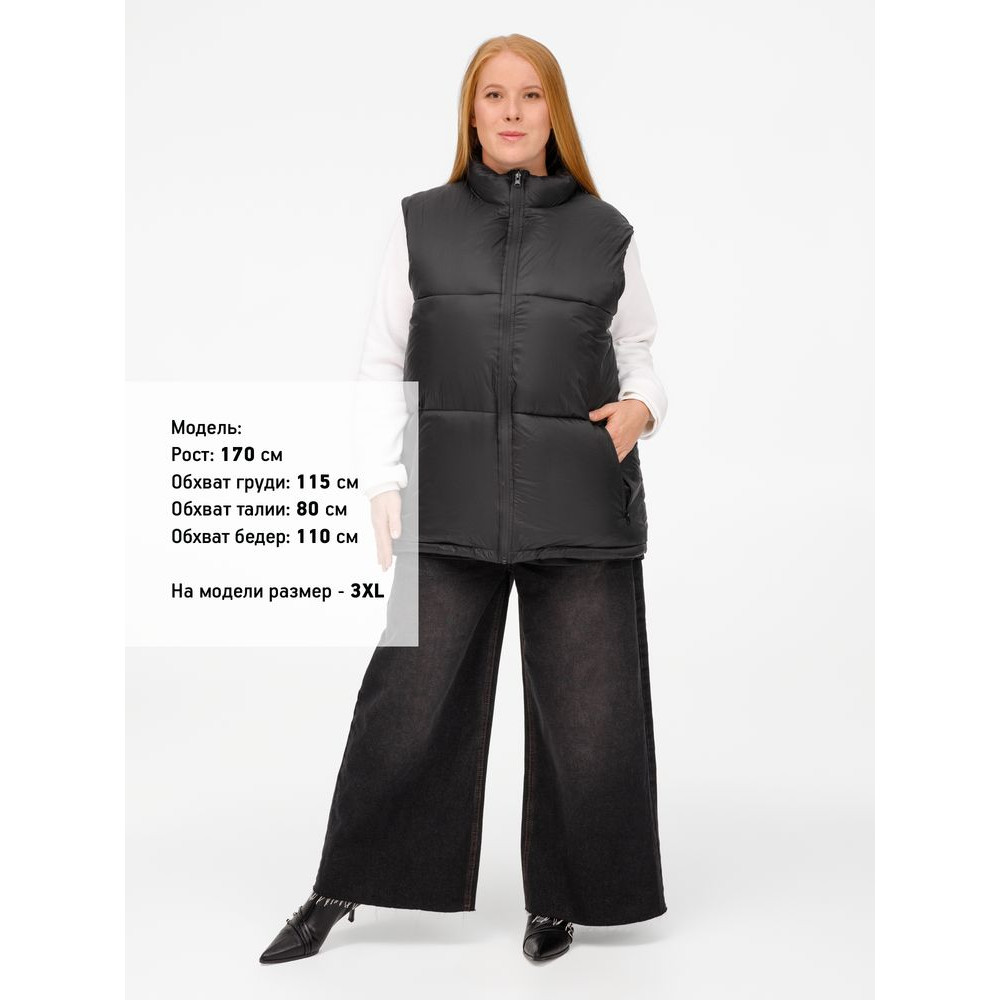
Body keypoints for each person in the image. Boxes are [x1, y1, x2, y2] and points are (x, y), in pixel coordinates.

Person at [260, 32, 669, 966]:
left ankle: (564, 899)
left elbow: (640, 349)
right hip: (446, 506)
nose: (513, 111)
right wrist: (381, 480)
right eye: (495, 95)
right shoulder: (421, 223)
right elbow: (380, 360)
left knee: (590, 717)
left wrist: (642, 409)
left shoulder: (606, 230)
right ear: (471, 112)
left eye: (531, 95)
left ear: (555, 111)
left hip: (580, 507)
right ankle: (341, 886)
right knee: (404, 704)